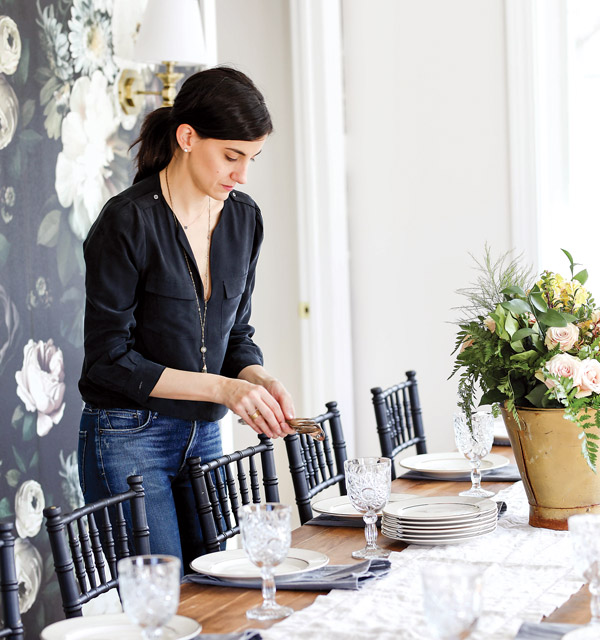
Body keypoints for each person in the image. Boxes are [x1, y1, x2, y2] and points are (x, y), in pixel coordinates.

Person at [77, 66, 296, 567]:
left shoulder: (244, 218)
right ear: (188, 137)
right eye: (232, 156)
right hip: (128, 436)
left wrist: (256, 378)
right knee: (166, 604)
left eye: (252, 159)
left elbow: (235, 334)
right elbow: (108, 361)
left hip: (204, 432)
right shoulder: (127, 222)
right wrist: (223, 389)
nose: (242, 175)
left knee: (216, 589)